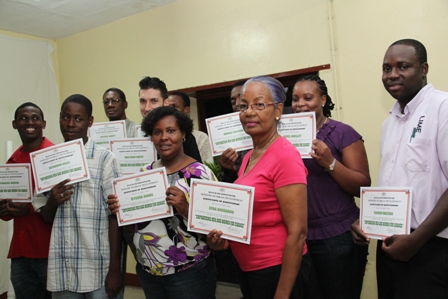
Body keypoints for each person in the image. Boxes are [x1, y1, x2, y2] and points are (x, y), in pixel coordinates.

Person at [352, 39, 448, 299]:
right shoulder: (390, 122)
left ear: (424, 68)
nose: (392, 75)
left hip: (431, 246)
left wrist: (416, 241)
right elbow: (392, 183)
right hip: (390, 244)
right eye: (386, 68)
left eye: (403, 66)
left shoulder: (443, 108)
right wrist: (368, 222)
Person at [207, 76, 314, 299]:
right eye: (243, 106)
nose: (249, 112)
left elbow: (298, 233)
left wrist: (282, 294)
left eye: (259, 104)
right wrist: (224, 241)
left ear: (277, 110)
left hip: (276, 270)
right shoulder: (248, 157)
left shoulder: (285, 156)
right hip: (248, 268)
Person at [107, 106, 217, 299]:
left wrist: (186, 208)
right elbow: (133, 222)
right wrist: (120, 208)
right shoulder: (144, 173)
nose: (164, 137)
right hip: (149, 273)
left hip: (189, 274)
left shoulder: (200, 173)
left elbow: (216, 232)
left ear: (183, 133)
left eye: (171, 131)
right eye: (157, 132)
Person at [292, 74, 371, 299]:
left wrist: (330, 163)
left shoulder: (343, 132)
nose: (300, 104)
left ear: (323, 100)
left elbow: (362, 185)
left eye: (308, 97)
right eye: (295, 99)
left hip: (337, 237)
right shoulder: (285, 137)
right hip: (300, 236)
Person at [40, 94, 123, 299]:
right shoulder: (48, 160)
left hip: (97, 267)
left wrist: (115, 268)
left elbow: (115, 216)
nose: (71, 124)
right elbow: (45, 217)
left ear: (90, 122)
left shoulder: (105, 159)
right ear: (59, 118)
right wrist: (53, 200)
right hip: (63, 268)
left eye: (78, 119)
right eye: (66, 117)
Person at [0, 102, 54, 299]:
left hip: (50, 252)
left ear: (43, 123)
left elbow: (64, 205)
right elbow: (7, 213)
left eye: (35, 118)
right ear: (15, 124)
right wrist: (4, 209)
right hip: (20, 255)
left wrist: (29, 209)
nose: (29, 122)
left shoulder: (55, 157)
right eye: (23, 118)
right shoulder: (11, 163)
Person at [138, 76, 202, 163]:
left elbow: (196, 171)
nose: (147, 108)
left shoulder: (183, 136)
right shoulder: (135, 136)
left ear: (166, 103)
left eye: (154, 101)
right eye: (143, 101)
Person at [165, 91, 214, 163]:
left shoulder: (200, 137)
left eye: (174, 106)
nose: (170, 110)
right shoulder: (162, 138)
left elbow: (208, 167)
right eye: (167, 107)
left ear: (186, 109)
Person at [218, 80, 250, 183]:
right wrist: (229, 172)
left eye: (241, 98)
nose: (237, 104)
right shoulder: (230, 141)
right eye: (233, 102)